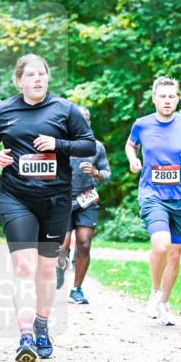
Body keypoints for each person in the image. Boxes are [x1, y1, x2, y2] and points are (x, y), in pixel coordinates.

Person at [0, 54, 96, 362]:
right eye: (30, 75)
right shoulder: (2, 111)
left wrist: (58, 144)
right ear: (19, 80)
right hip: (16, 196)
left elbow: (88, 145)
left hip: (56, 199)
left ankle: (42, 325)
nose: (37, 79)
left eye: (41, 74)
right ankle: (26, 335)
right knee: (24, 267)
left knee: (46, 267)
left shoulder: (65, 110)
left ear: (48, 78)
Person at [124, 76, 181, 327]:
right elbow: (130, 145)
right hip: (152, 194)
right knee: (161, 245)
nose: (167, 101)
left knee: (175, 252)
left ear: (178, 98)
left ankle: (164, 304)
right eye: (163, 96)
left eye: (172, 96)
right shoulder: (142, 124)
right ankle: (155, 292)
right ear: (154, 98)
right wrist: (132, 159)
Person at [56, 106, 111, 304]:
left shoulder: (96, 147)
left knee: (85, 243)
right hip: (62, 200)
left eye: (85, 120)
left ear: (89, 123)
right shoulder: (60, 144)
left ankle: (76, 289)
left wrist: (96, 173)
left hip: (86, 200)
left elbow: (107, 173)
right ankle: (59, 269)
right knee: (61, 246)